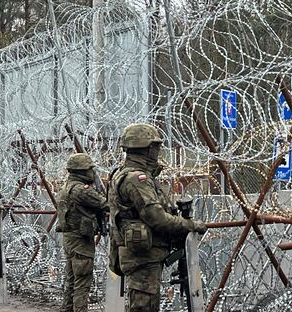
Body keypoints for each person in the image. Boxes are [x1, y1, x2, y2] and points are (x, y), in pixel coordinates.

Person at [108, 123, 206, 312]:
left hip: (142, 255)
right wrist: (191, 224)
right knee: (144, 306)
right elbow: (157, 218)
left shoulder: (126, 174)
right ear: (147, 149)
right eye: (156, 147)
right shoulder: (137, 179)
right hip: (143, 257)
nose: (158, 151)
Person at [57, 152, 109, 312]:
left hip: (70, 240)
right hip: (81, 241)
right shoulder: (81, 190)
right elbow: (105, 204)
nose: (93, 173)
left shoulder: (66, 188)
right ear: (81, 172)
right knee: (82, 284)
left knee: (71, 281)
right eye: (90, 170)